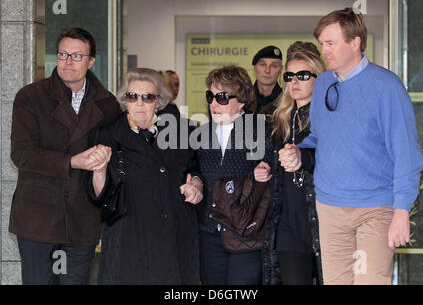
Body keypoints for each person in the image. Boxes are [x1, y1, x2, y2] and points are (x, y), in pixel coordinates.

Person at [279, 8, 423, 285]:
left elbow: (406, 154)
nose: (324, 51)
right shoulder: (322, 85)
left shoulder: (387, 87)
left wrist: (402, 211)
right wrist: (298, 151)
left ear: (355, 42)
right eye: (322, 44)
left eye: (330, 43)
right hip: (330, 207)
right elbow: (320, 137)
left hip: (375, 209)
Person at [9, 27, 121, 285]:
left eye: (77, 56)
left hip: (83, 218)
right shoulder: (31, 97)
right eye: (62, 54)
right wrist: (71, 161)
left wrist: (107, 221)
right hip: (38, 217)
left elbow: (115, 166)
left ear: (91, 61)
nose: (68, 62)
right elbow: (21, 154)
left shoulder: (107, 105)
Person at [87, 68, 203, 285]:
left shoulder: (181, 131)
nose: (139, 103)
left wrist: (196, 184)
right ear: (124, 99)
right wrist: (100, 169)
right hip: (128, 233)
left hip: (172, 232)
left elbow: (193, 168)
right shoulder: (109, 133)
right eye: (132, 96)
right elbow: (99, 194)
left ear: (159, 101)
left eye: (147, 97)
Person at [255, 41, 326, 285]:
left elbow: (338, 156)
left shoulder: (331, 115)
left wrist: (304, 158)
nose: (294, 81)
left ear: (320, 78)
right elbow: (268, 162)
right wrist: (263, 169)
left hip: (325, 219)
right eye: (290, 76)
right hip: (287, 223)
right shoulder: (277, 120)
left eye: (303, 75)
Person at [195, 65, 273, 285]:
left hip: (246, 234)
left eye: (221, 97)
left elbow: (273, 172)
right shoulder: (200, 135)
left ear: (241, 101)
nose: (213, 103)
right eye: (210, 96)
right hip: (209, 232)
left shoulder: (259, 131)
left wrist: (263, 172)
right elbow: (193, 171)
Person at [251, 45, 283, 114]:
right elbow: (240, 125)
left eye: (274, 66)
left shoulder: (286, 102)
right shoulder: (243, 101)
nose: (267, 70)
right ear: (254, 67)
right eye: (262, 64)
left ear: (280, 70)